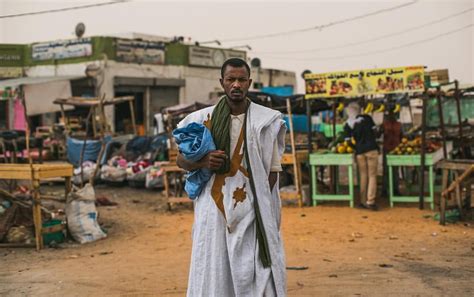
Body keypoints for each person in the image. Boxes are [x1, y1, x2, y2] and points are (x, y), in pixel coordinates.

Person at [176, 58, 287, 296]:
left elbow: (272, 173)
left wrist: (256, 204)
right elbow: (180, 160)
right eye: (231, 79)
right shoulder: (201, 121)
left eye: (241, 79)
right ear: (222, 83)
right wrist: (204, 162)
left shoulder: (265, 122)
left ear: (249, 83)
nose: (236, 84)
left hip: (252, 211)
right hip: (213, 211)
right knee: (215, 270)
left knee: (257, 271)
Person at [344, 102, 379, 211]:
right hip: (372, 149)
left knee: (363, 175)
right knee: (372, 175)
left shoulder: (348, 124)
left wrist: (356, 147)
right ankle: (371, 201)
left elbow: (348, 142)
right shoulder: (367, 118)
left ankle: (363, 201)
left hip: (360, 152)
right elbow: (376, 133)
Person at [381, 106, 402, 197]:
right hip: (389, 148)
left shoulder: (397, 125)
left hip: (394, 149)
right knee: (388, 171)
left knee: (393, 171)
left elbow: (401, 136)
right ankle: (386, 189)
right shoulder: (385, 125)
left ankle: (394, 189)